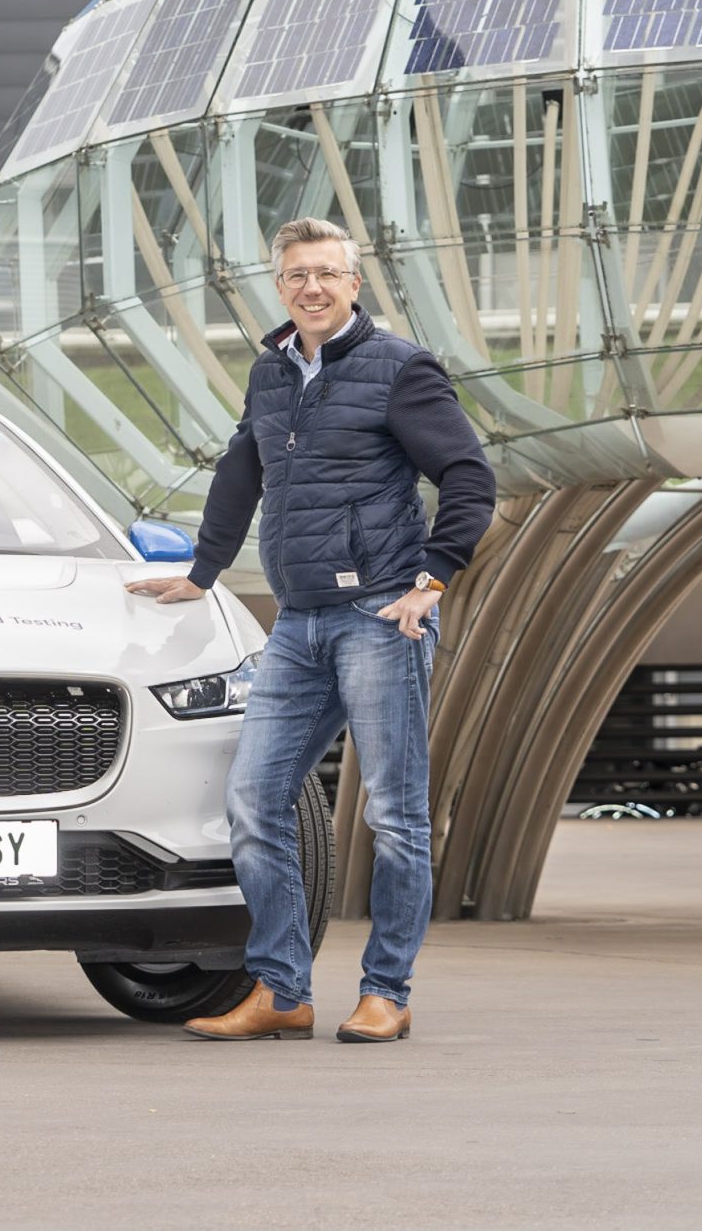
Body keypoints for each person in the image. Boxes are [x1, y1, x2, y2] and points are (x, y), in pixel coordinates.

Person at [129, 216, 494, 1045]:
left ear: (354, 283)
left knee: (394, 816)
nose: (312, 288)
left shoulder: (400, 369)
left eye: (327, 273)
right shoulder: (270, 372)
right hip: (298, 623)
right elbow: (241, 467)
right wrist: (202, 571)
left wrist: (433, 578)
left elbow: (469, 474)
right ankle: (282, 988)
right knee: (254, 799)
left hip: (378, 615)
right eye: (297, 275)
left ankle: (386, 991)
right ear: (281, 285)